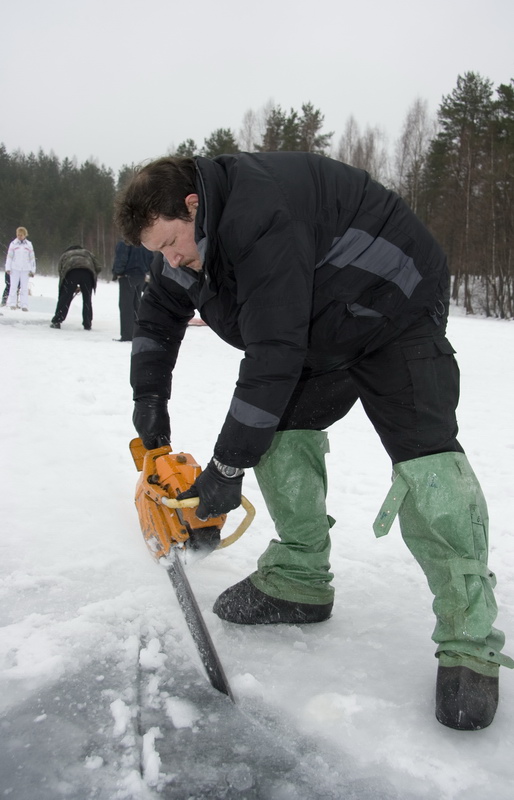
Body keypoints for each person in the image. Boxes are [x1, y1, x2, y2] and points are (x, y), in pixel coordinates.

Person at [114, 153, 513, 731]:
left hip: (392, 306)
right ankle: (300, 578)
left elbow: (273, 353)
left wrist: (226, 468)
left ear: (194, 206)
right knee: (277, 429)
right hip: (318, 321)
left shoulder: (257, 218)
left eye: (172, 243)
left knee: (426, 459)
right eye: (159, 251)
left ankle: (469, 640)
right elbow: (156, 319)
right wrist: (149, 400)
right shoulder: (190, 246)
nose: (170, 258)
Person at [50, 245, 101, 330]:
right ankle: (87, 324)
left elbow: (61, 271)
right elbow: (98, 267)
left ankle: (57, 321)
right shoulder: (87, 253)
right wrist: (92, 276)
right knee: (87, 299)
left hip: (71, 272)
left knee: (65, 298)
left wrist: (67, 288)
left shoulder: (65, 254)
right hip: (88, 273)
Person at [111, 240, 153, 341]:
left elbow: (121, 258)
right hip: (141, 276)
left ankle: (127, 335)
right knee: (136, 305)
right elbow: (150, 259)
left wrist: (117, 272)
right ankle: (136, 333)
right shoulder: (144, 242)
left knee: (126, 306)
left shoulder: (126, 242)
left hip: (127, 276)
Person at [5, 226, 36, 311]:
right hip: (15, 268)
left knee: (24, 287)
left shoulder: (29, 244)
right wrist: (8, 267)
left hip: (25, 269)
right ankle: (12, 304)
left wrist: (33, 270)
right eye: (18, 235)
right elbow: (9, 257)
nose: (19, 236)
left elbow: (32, 258)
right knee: (13, 286)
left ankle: (24, 305)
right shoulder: (13, 244)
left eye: (21, 235)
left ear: (25, 235)